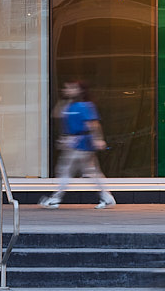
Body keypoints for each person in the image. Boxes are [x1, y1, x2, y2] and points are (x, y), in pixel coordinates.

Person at [41, 80, 115, 209]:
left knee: (65, 171)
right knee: (91, 172)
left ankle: (55, 198)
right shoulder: (69, 106)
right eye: (66, 88)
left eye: (71, 88)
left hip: (81, 144)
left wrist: (98, 139)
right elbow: (56, 114)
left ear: (79, 90)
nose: (67, 90)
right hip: (73, 144)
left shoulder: (84, 106)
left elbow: (93, 124)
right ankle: (107, 197)